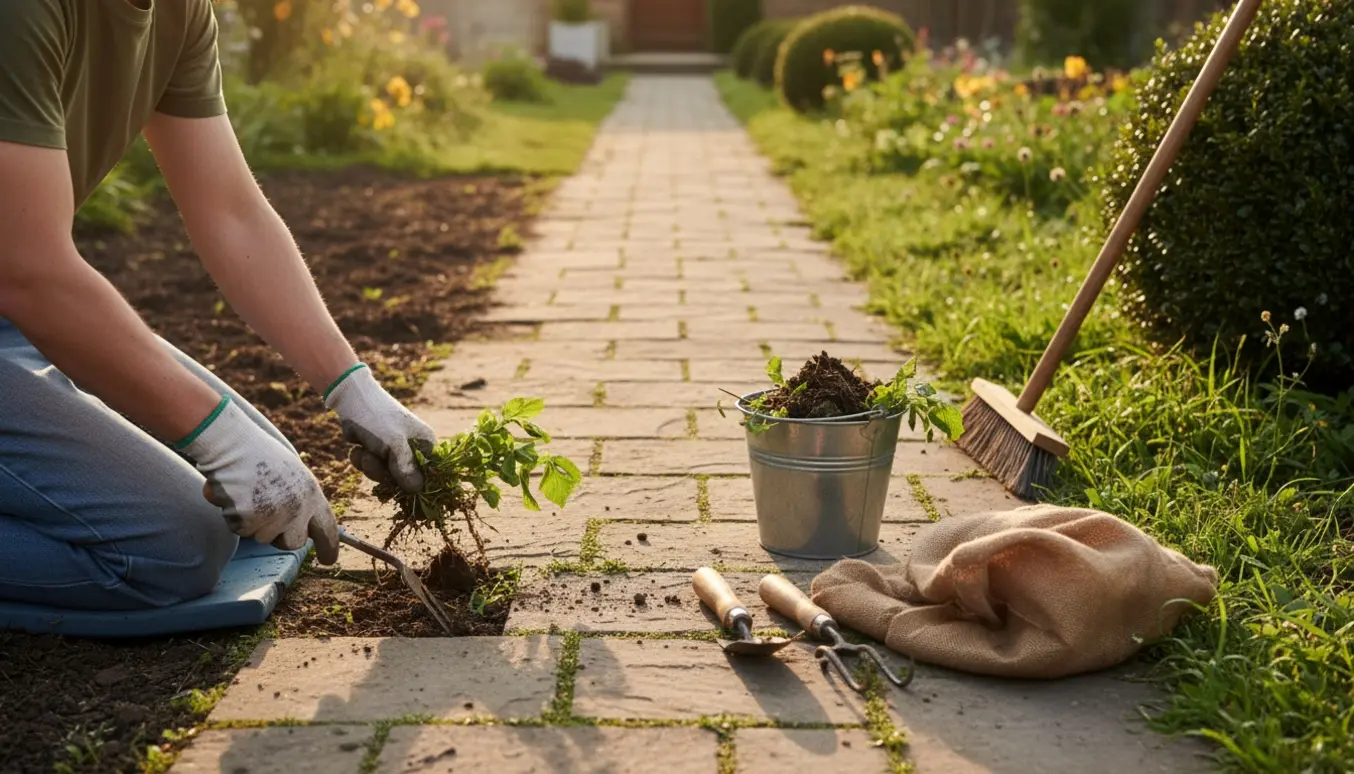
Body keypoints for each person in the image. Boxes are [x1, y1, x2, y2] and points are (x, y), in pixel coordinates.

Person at [0, 0, 438, 612]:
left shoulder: (178, 10)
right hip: (22, 291)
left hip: (16, 314)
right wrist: (218, 435)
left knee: (257, 487)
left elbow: (230, 213)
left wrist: (352, 386)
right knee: (176, 546)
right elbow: (29, 269)